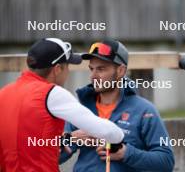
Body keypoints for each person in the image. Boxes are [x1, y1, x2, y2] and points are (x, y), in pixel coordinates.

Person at [0, 38, 124, 172]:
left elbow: (23, 138)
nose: (68, 72)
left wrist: (66, 139)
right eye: (68, 67)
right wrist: (119, 140)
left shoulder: (4, 93)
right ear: (58, 69)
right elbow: (110, 133)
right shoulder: (53, 93)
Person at [60, 38, 175, 172]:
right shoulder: (80, 108)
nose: (93, 76)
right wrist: (70, 139)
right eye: (91, 69)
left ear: (121, 71)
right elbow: (56, 157)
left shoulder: (145, 111)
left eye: (101, 69)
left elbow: (166, 161)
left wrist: (125, 153)